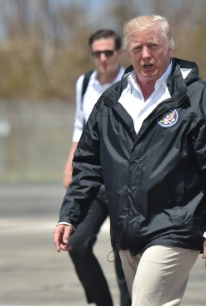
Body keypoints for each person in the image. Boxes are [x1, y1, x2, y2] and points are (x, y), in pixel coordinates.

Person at [54, 14, 206, 305]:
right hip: (128, 231)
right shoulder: (111, 101)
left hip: (176, 226)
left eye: (153, 45)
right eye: (138, 48)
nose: (146, 55)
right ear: (127, 52)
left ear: (170, 47)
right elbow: (88, 165)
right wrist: (70, 214)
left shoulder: (197, 97)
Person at [62, 29, 131, 306]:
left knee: (123, 252)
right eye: (97, 53)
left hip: (124, 182)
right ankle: (102, 302)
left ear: (119, 53)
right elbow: (80, 127)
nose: (103, 58)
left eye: (108, 52)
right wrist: (70, 165)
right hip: (91, 178)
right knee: (76, 243)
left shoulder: (132, 81)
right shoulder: (85, 82)